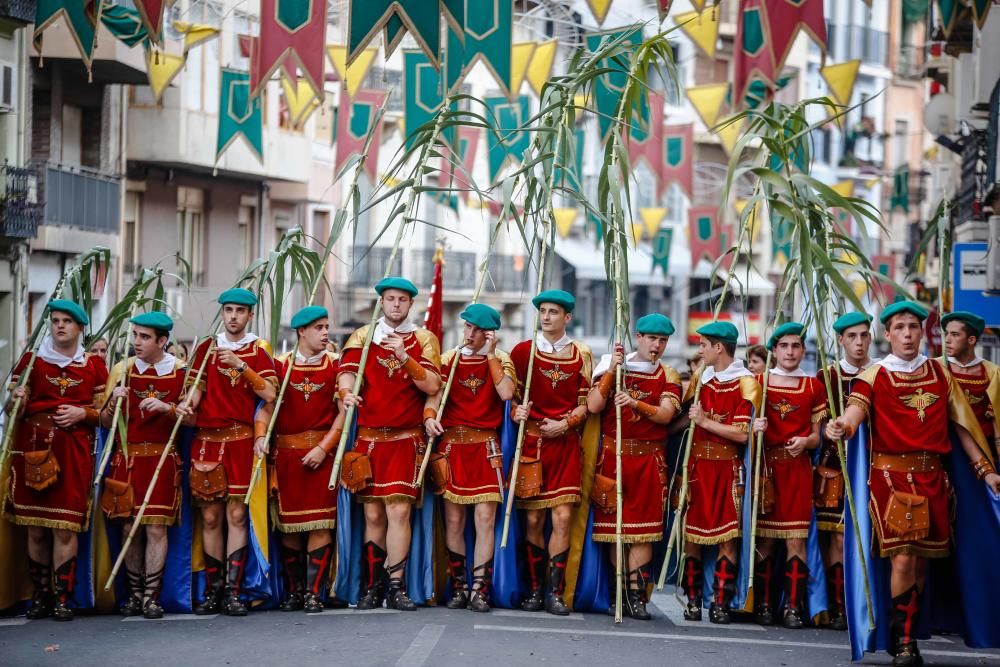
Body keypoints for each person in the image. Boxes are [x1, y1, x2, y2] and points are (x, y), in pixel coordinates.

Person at [826, 301, 1000, 666]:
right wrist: (842, 425)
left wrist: (986, 472)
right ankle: (904, 642)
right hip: (891, 480)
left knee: (921, 564)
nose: (907, 334)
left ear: (922, 333)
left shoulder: (941, 374)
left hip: (934, 480)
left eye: (913, 327)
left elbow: (962, 428)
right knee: (903, 558)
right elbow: (855, 412)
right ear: (887, 335)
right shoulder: (874, 375)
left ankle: (904, 629)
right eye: (900, 328)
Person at [338, 277, 441, 611]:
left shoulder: (423, 339)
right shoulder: (363, 336)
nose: (395, 304)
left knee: (398, 512)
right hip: (369, 438)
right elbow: (347, 371)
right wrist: (346, 391)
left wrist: (403, 356)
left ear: (411, 304)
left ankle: (396, 586)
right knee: (372, 515)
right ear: (382, 302)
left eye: (402, 300)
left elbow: (432, 384)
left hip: (405, 439)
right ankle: (372, 585)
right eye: (390, 299)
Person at [4, 300, 108, 621]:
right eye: (55, 320)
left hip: (74, 451)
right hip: (34, 448)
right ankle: (40, 596)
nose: (59, 325)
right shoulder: (31, 361)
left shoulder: (93, 366)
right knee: (35, 527)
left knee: (65, 529)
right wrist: (17, 401)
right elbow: (12, 412)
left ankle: (62, 597)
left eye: (67, 321)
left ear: (80, 328)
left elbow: (107, 417)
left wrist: (84, 413)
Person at [177, 288, 277, 616]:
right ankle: (214, 589)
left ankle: (234, 591)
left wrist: (240, 365)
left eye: (240, 311)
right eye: (228, 310)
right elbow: (195, 391)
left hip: (240, 441)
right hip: (207, 440)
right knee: (209, 516)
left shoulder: (258, 351)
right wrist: (186, 404)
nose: (233, 316)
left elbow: (270, 393)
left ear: (250, 315)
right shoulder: (206, 348)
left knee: (236, 514)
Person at [586, 313, 681, 620]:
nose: (657, 346)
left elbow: (666, 415)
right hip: (613, 459)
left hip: (649, 461)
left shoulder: (669, 375)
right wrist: (612, 371)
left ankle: (636, 595)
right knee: (615, 532)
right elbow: (593, 406)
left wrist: (635, 403)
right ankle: (619, 593)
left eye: (662, 340)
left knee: (642, 533)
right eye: (652, 339)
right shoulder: (612, 366)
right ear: (638, 338)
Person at [423, 304, 515, 612]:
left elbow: (506, 393)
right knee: (454, 520)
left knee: (485, 520)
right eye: (468, 328)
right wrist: (429, 418)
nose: (471, 334)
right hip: (452, 447)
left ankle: (480, 589)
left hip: (485, 449)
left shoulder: (501, 360)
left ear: (490, 334)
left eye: (478, 330)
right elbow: (433, 397)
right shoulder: (448, 359)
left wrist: (489, 355)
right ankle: (459, 586)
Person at [256, 306, 344, 614]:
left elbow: (344, 415)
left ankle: (313, 592)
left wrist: (324, 448)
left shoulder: (336, 365)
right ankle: (294, 591)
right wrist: (260, 435)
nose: (325, 333)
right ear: (301, 332)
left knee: (320, 525)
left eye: (326, 326)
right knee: (290, 528)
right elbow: (266, 408)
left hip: (323, 454)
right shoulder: (280, 366)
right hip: (287, 456)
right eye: (318, 328)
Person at [511, 289, 592, 616]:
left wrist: (567, 423)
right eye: (542, 311)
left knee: (562, 518)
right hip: (531, 445)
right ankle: (533, 589)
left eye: (554, 312)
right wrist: (516, 411)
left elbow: (587, 404)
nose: (546, 317)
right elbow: (511, 396)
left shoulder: (581, 354)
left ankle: (554, 592)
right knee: (533, 518)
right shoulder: (522, 352)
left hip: (566, 445)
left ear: (567, 317)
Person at [100, 311, 184, 619]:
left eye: (145, 337)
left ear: (162, 340)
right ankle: (134, 594)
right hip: (128, 458)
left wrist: (167, 407)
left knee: (156, 527)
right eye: (135, 335)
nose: (137, 341)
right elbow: (106, 422)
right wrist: (113, 401)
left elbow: (193, 419)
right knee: (128, 528)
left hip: (161, 459)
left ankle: (152, 596)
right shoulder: (123, 370)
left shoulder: (180, 372)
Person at [680, 321, 760, 624]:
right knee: (692, 537)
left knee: (728, 537)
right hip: (699, 467)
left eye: (703, 345)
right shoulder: (702, 377)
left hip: (727, 468)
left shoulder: (745, 382)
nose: (699, 350)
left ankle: (721, 602)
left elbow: (742, 434)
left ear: (718, 347)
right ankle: (692, 600)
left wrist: (704, 422)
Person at [751, 322, 826, 628]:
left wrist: (806, 442)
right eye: (784, 346)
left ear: (803, 350)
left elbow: (817, 436)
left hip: (797, 472)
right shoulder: (759, 382)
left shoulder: (813, 386)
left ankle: (793, 607)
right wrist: (756, 429)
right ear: (774, 350)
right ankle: (765, 604)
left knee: (796, 541)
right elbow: (745, 428)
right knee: (766, 541)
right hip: (767, 470)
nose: (791, 351)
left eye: (796, 346)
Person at [815, 311, 875, 630]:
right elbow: (817, 421)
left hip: (874, 465)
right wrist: (828, 430)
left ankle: (870, 603)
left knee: (870, 538)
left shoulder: (881, 373)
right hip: (835, 466)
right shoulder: (827, 375)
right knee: (837, 540)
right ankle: (840, 606)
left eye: (864, 335)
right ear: (841, 340)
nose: (859, 342)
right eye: (852, 336)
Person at [942, 311, 999, 461]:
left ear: (971, 339)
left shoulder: (992, 372)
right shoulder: (936, 367)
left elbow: (996, 422)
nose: (947, 340)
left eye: (954, 335)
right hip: (945, 451)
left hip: (982, 447)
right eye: (946, 334)